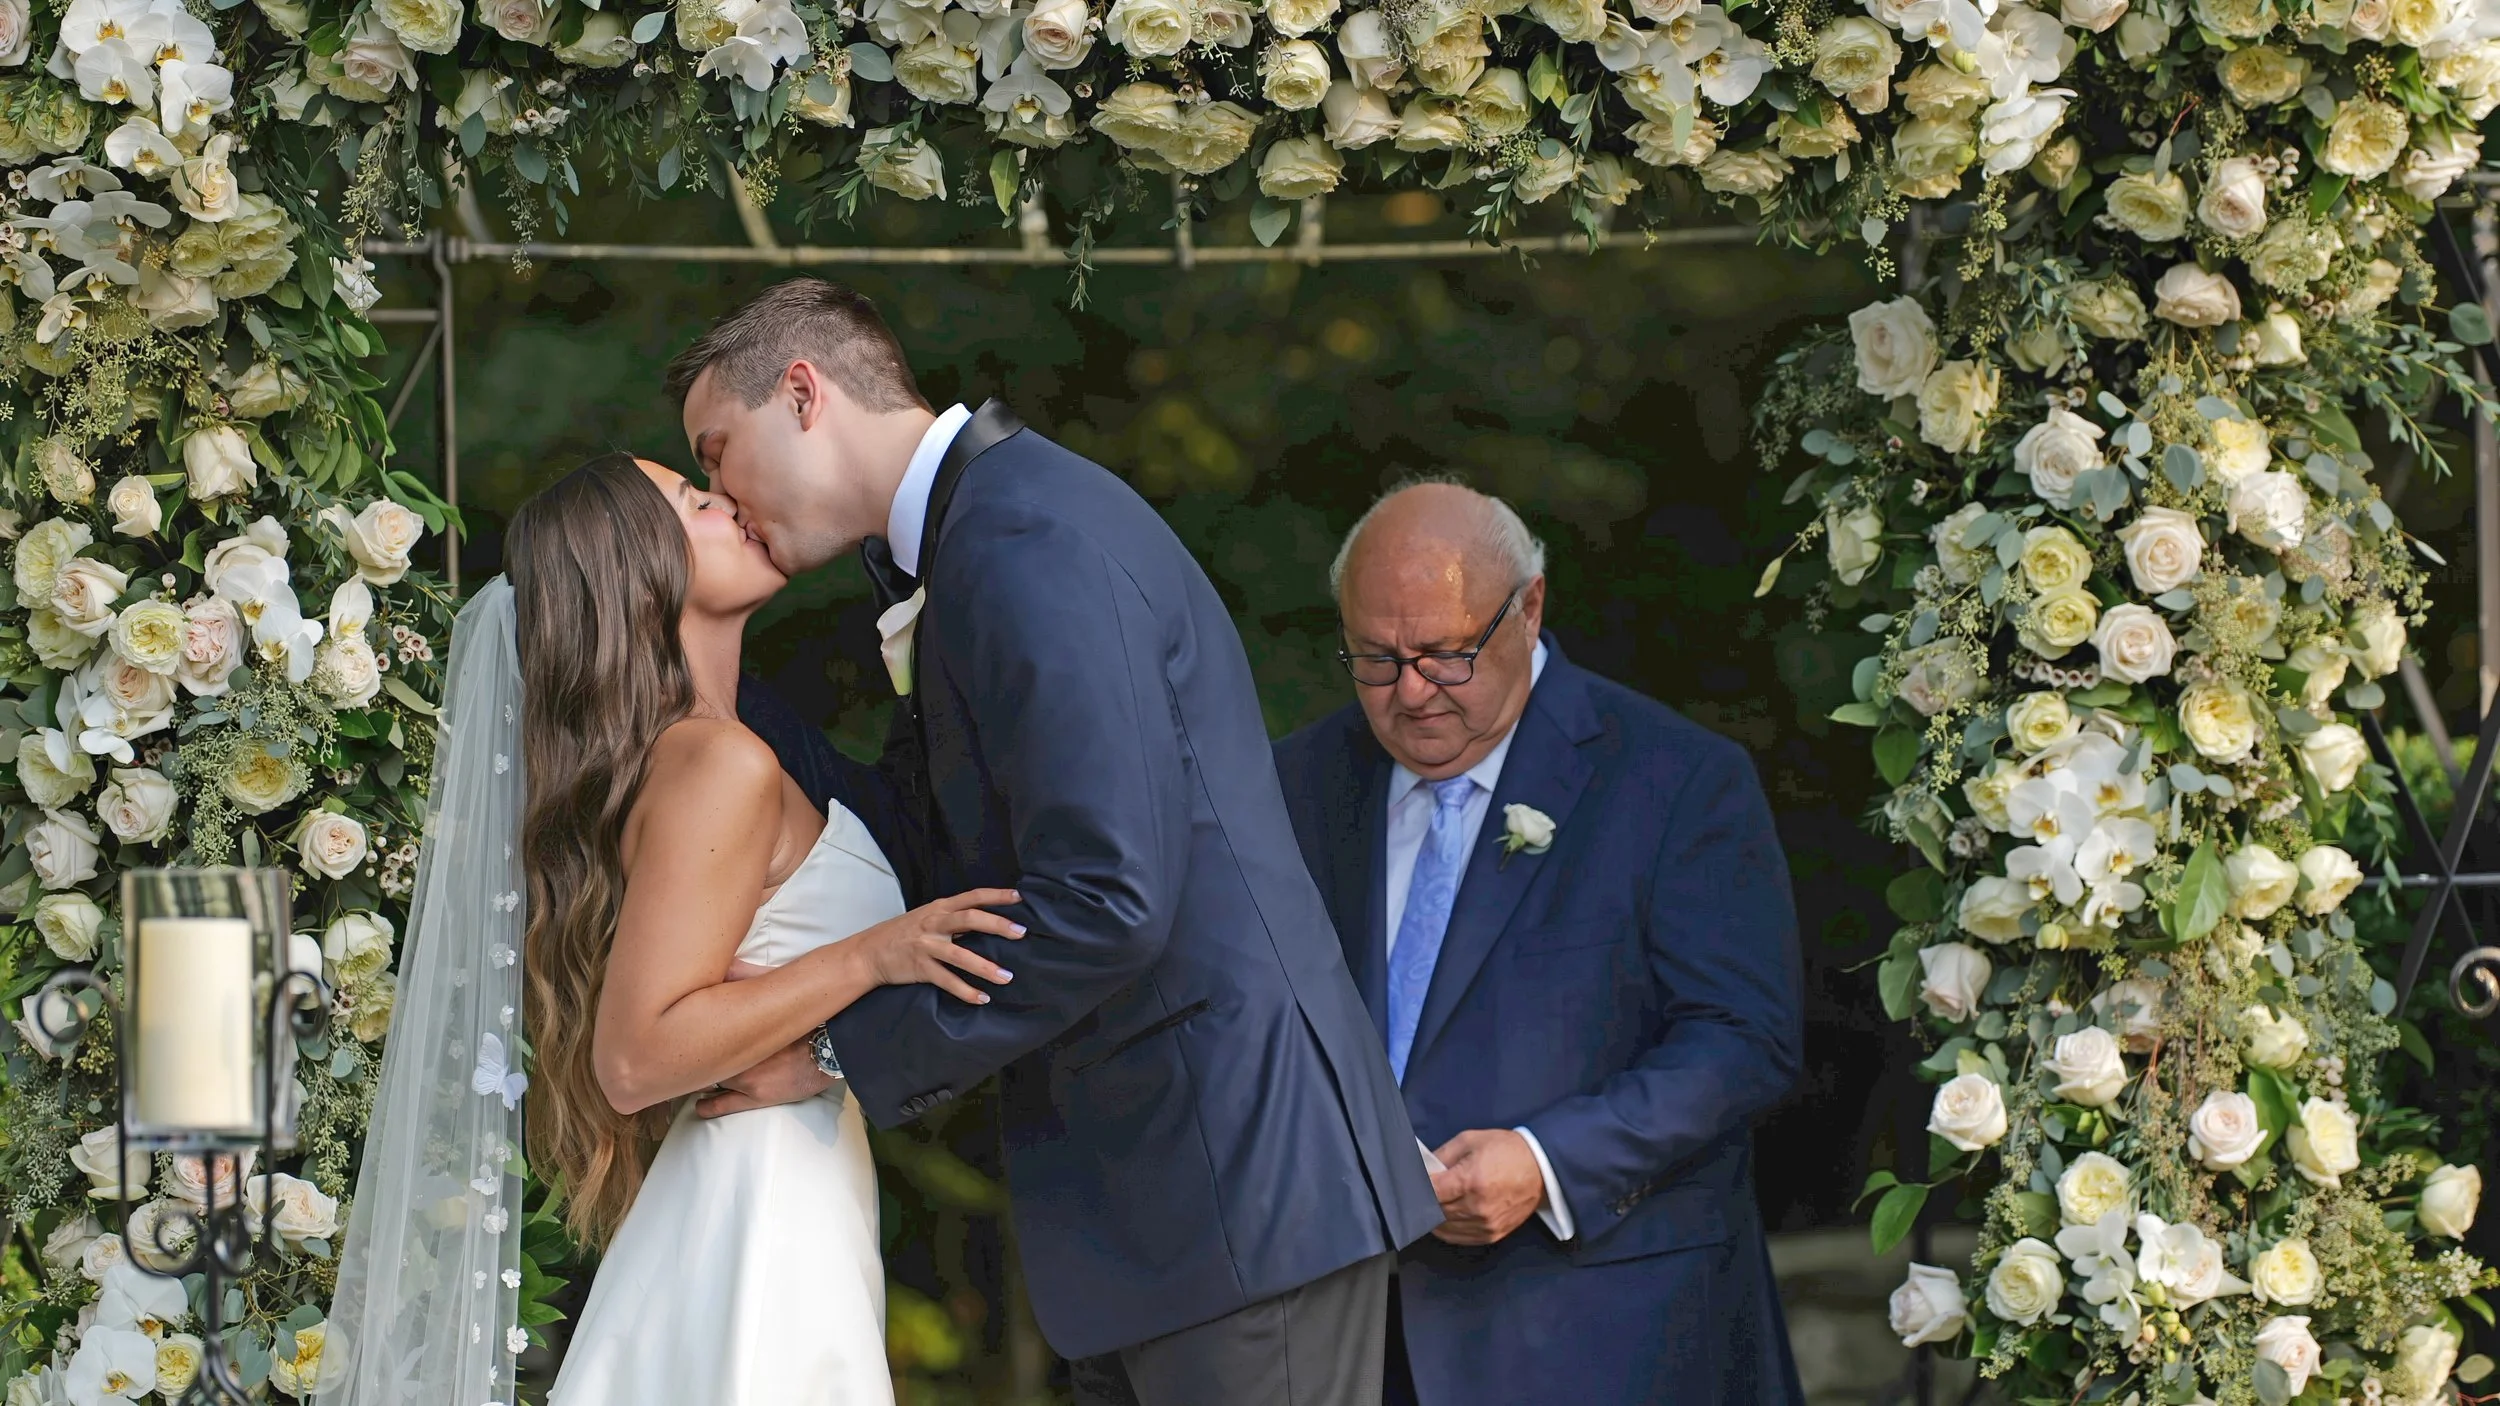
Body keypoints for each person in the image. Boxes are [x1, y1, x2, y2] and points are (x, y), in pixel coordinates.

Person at [668, 278, 1442, 1406]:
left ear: (802, 392)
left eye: (716, 449)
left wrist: (838, 1048)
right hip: (1161, 1207)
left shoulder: (1026, 537)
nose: (718, 494)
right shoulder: (976, 540)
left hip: (1233, 1186)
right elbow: (917, 838)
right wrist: (697, 678)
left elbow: (1107, 897)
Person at [323, 455, 1026, 1406]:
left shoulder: (708, 752)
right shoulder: (717, 765)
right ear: (642, 571)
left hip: (778, 1186)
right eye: (696, 503)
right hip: (761, 1205)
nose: (730, 502)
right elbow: (638, 1054)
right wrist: (868, 954)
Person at [1271, 481, 1809, 1406]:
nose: (1408, 692)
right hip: (1348, 1340)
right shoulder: (1296, 782)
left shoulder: (1675, 779)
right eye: (1374, 658)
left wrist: (1548, 1159)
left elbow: (1742, 1040)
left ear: (1529, 608)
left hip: (1604, 1338)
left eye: (1443, 654)